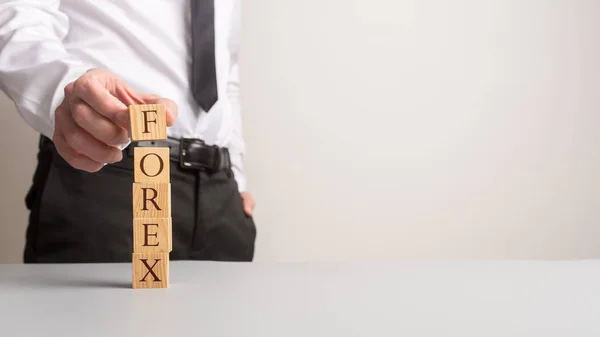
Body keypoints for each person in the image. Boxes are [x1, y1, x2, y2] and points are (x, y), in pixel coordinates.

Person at [0, 0, 257, 263]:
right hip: (107, 171)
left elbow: (226, 74)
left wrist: (236, 173)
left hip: (221, 192)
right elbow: (15, 16)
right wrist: (64, 92)